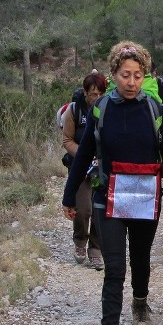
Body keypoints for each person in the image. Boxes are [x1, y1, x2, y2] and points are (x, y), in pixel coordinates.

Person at [62, 40, 163, 325]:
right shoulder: (102, 109)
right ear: (113, 74)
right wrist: (69, 196)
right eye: (124, 75)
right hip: (108, 198)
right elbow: (84, 154)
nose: (131, 82)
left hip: (145, 196)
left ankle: (141, 301)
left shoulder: (155, 110)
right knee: (115, 267)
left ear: (144, 75)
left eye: (137, 75)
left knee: (142, 257)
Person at [62, 71, 107, 270]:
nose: (94, 98)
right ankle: (80, 241)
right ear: (85, 92)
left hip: (102, 166)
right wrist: (83, 154)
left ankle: (96, 249)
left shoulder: (109, 108)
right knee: (82, 209)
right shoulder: (73, 111)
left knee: (100, 209)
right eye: (91, 94)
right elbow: (67, 140)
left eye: (98, 94)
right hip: (80, 166)